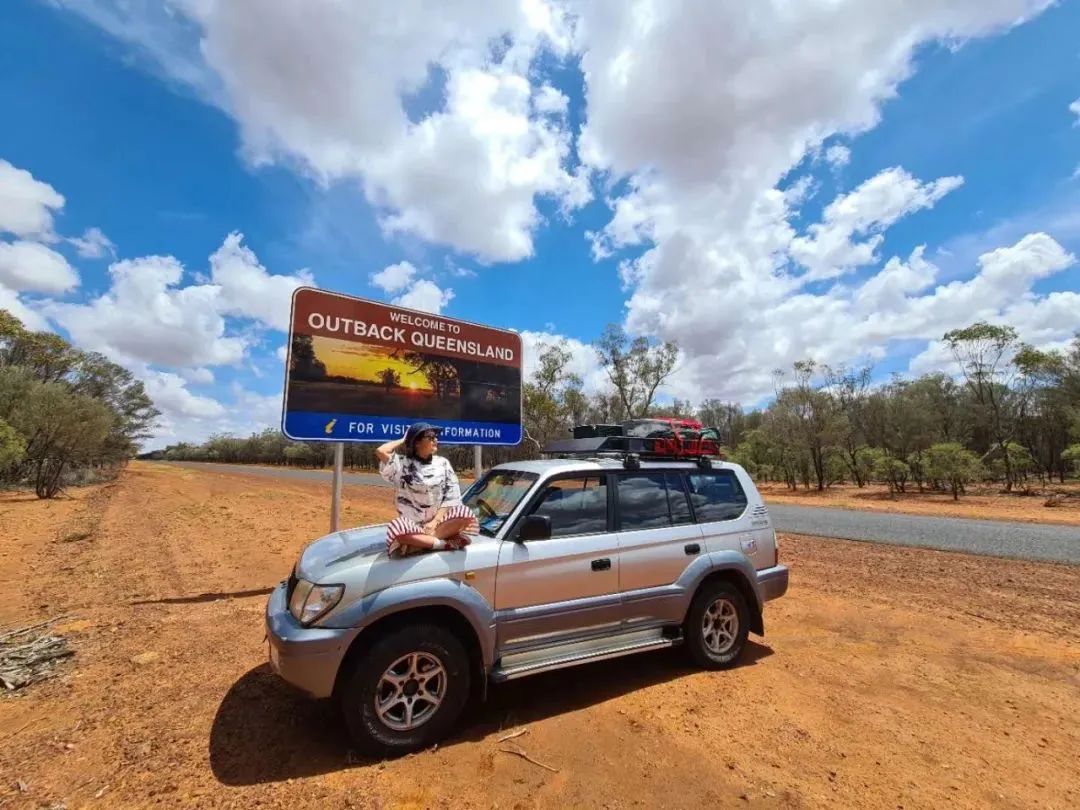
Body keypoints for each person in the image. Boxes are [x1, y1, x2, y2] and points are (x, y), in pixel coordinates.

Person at [376, 423, 478, 557]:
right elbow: (381, 451)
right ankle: (442, 544)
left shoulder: (443, 463)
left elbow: (452, 497)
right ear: (416, 442)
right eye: (430, 437)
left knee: (465, 514)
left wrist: (434, 522)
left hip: (438, 525)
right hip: (412, 527)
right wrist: (404, 439)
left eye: (436, 436)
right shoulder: (401, 465)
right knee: (396, 527)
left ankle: (420, 544)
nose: (435, 439)